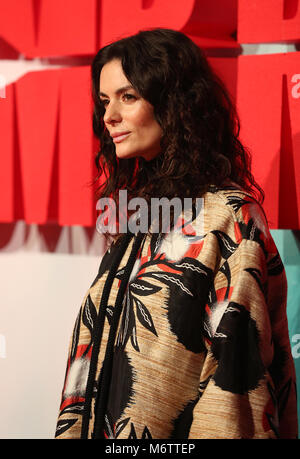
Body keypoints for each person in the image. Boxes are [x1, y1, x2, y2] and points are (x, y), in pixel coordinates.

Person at [55, 28, 298, 439]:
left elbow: (233, 386)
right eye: (104, 100)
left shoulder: (228, 218)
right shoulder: (142, 217)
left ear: (174, 104)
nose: (109, 115)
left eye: (127, 97)